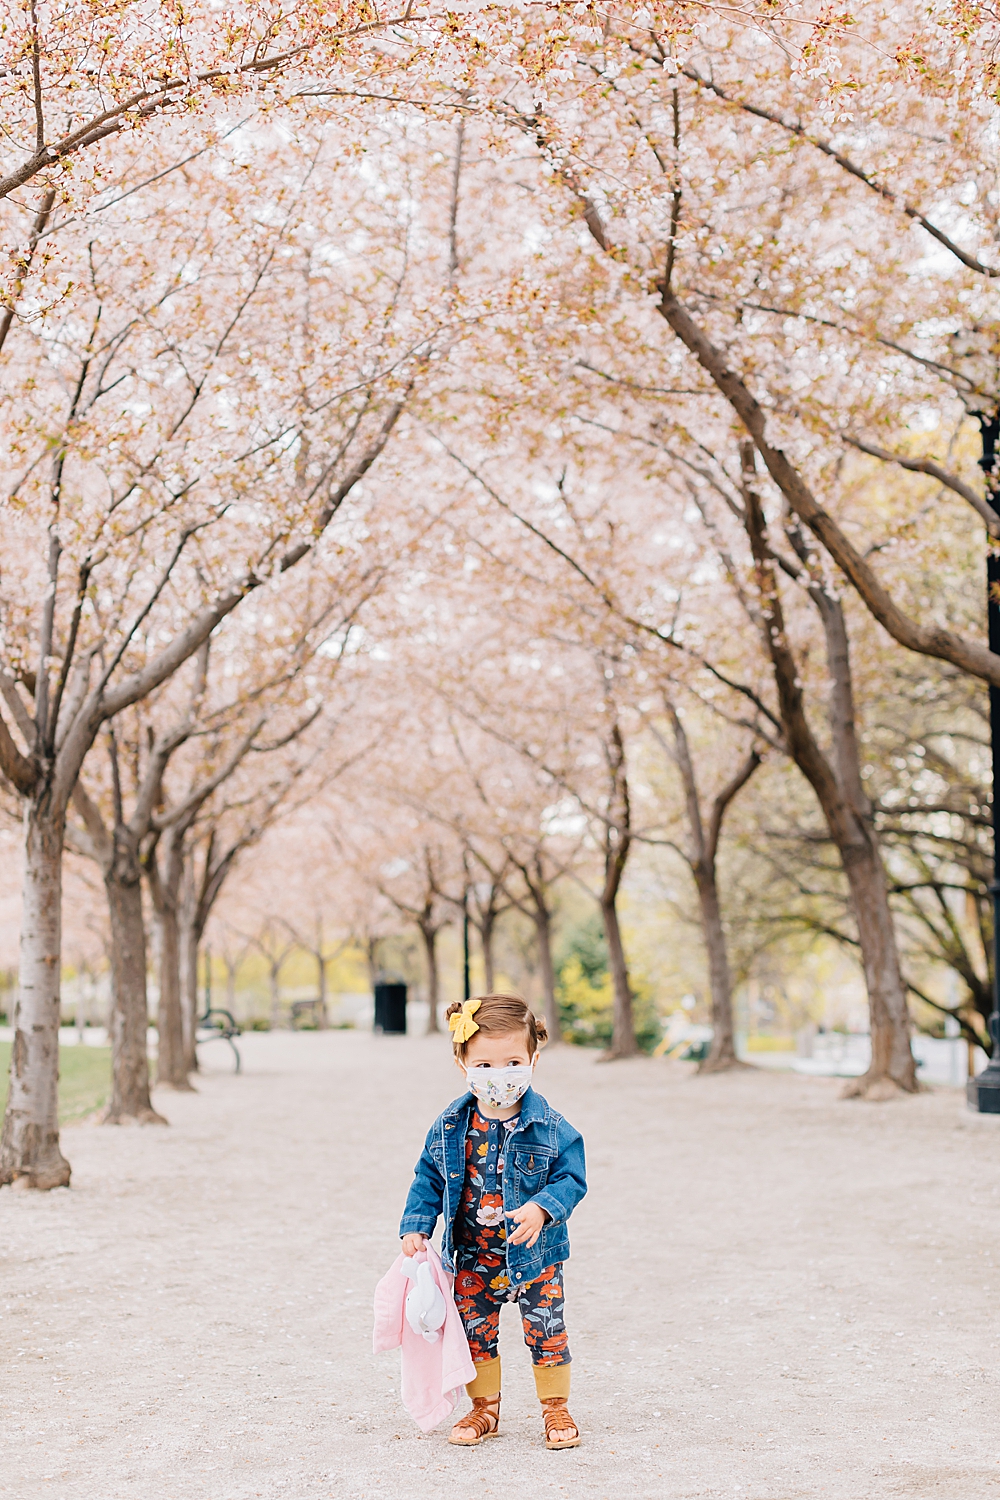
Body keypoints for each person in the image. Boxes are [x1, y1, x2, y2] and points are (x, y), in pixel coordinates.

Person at [399, 992, 587, 1450]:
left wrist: (543, 1207)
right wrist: (417, 1224)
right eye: (484, 1065)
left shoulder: (551, 1125)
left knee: (546, 1330)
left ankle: (555, 1406)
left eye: (511, 1062)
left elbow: (572, 1176)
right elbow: (428, 1173)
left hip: (534, 1257)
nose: (498, 1075)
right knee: (474, 1335)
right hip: (472, 1258)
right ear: (462, 1064)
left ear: (533, 1060)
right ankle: (484, 1408)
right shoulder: (450, 1125)